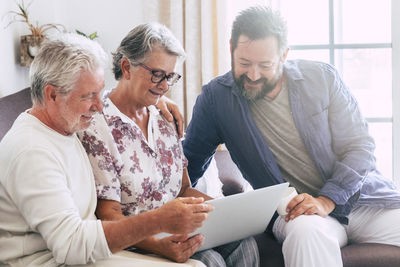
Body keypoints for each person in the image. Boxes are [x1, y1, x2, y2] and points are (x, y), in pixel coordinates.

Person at [183, 5, 400, 267]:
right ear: (231, 50)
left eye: (265, 65)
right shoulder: (216, 99)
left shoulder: (322, 78)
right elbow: (188, 162)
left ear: (284, 55)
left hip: (361, 202)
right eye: (244, 63)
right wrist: (154, 104)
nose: (253, 75)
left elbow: (360, 148)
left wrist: (326, 200)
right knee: (305, 233)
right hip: (294, 212)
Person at [0, 33, 213, 267]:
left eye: (99, 92)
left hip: (87, 252)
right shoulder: (31, 152)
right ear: (51, 95)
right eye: (89, 96)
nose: (100, 106)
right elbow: (71, 246)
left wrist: (155, 99)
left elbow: (120, 99)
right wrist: (157, 221)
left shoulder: (66, 125)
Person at [78, 23, 259, 267]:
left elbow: (183, 189)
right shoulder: (98, 126)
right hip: (140, 237)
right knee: (210, 260)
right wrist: (158, 245)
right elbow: (109, 217)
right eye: (157, 74)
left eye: (170, 76)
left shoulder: (164, 117)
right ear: (126, 67)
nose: (164, 86)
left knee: (245, 241)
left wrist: (228, 214)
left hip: (180, 225)